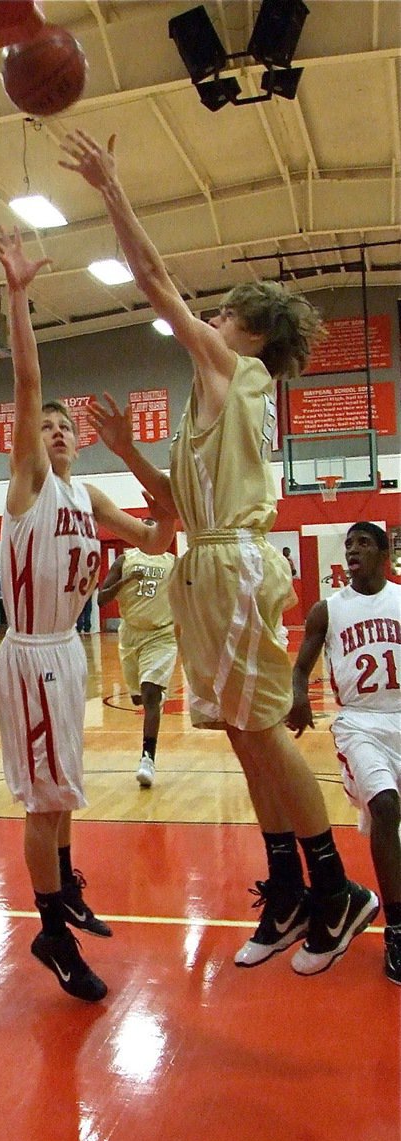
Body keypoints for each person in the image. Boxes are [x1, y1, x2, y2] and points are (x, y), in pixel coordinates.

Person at [60, 129, 377, 976]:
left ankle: (338, 886)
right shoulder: (215, 396)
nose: (210, 319)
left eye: (225, 312)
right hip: (204, 560)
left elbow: (156, 281)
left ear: (246, 332)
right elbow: (165, 512)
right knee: (240, 734)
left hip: (234, 563)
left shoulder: (237, 374)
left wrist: (112, 189)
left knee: (264, 729)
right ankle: (285, 888)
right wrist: (127, 454)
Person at [0, 226, 175, 1003]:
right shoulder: (30, 483)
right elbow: (29, 384)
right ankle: (51, 933)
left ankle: (65, 889)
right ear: (33, 440)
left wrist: (144, 466)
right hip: (31, 652)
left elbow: (161, 533)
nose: (56, 429)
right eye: (47, 426)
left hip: (68, 650)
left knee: (64, 789)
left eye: (66, 426)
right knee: (44, 797)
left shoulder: (86, 496)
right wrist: (19, 294)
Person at [286, 523, 400, 985]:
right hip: (359, 722)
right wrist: (297, 699)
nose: (352, 549)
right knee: (386, 805)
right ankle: (396, 929)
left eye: (363, 542)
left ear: (384, 551)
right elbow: (301, 667)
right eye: (348, 543)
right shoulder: (327, 610)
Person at [97, 536, 177, 788]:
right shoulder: (125, 560)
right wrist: (127, 580)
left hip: (162, 634)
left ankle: (147, 759)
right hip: (131, 635)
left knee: (150, 693)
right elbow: (102, 599)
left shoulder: (173, 563)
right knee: (139, 699)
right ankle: (155, 698)